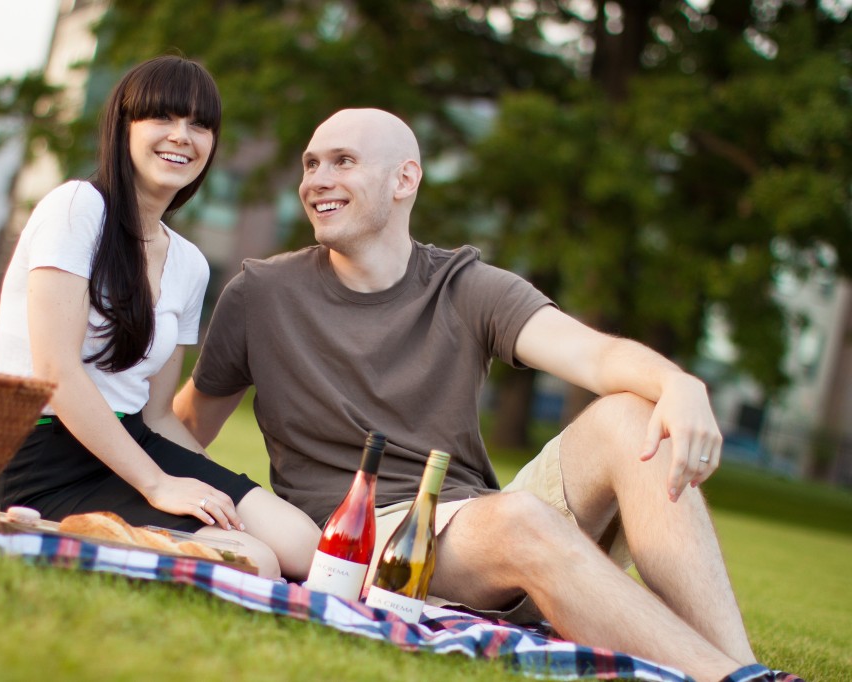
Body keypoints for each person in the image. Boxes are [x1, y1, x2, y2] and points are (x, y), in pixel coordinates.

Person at [173, 108, 801, 681]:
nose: (317, 179)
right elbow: (185, 427)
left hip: (478, 530)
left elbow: (595, 354)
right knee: (519, 520)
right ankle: (726, 680)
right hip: (371, 543)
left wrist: (679, 384)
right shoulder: (259, 295)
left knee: (633, 418)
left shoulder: (464, 284)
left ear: (404, 180)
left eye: (343, 161)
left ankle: (746, 669)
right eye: (311, 163)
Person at [0, 56, 319, 581]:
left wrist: (213, 485)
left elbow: (159, 412)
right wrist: (159, 485)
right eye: (161, 118)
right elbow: (56, 374)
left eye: (199, 124)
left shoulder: (188, 262)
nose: (181, 137)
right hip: (43, 457)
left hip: (134, 441)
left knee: (305, 546)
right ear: (124, 127)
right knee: (253, 562)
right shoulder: (77, 208)